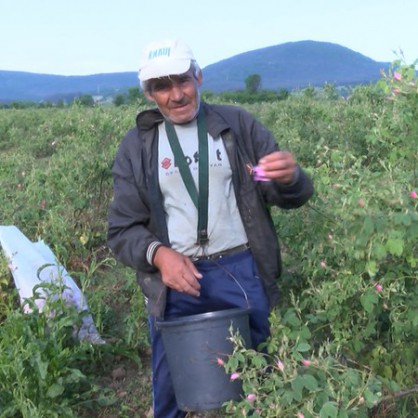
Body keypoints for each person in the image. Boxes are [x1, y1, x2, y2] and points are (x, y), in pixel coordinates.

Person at [107, 39, 314, 418]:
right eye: (162, 87)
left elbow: (285, 193)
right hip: (175, 279)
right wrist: (159, 254)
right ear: (150, 94)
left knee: (259, 375)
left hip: (240, 270)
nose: (176, 94)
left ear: (198, 76)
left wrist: (290, 178)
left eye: (183, 81)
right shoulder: (138, 145)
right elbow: (121, 229)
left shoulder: (236, 126)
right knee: (171, 386)